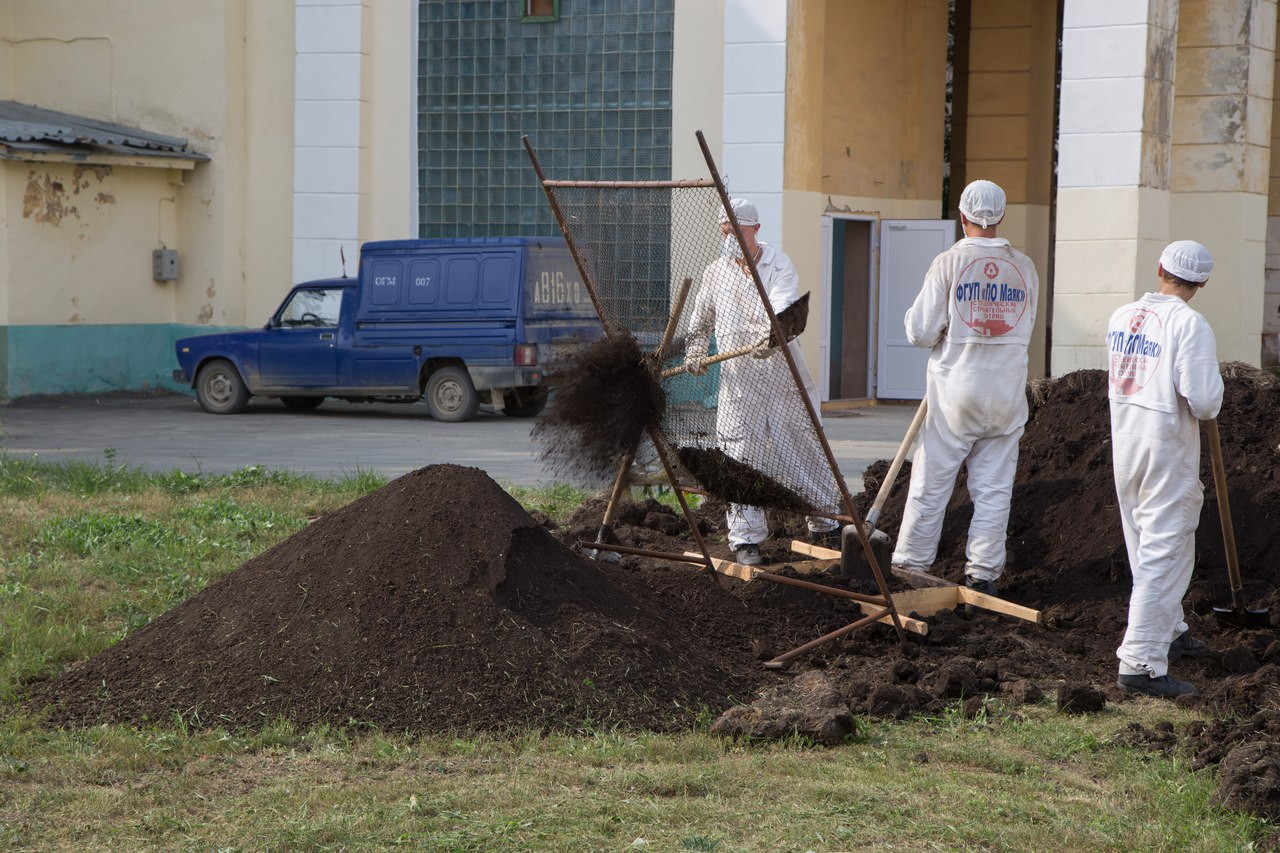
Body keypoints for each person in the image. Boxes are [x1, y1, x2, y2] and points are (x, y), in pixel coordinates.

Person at [890, 180, 1040, 595]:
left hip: (957, 392)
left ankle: (911, 564)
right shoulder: (1025, 268)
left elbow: (920, 331)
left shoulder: (948, 264)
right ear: (1001, 217)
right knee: (994, 489)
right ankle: (983, 574)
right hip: (1007, 392)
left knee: (932, 481)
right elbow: (1022, 327)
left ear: (962, 217)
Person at [684, 197, 841, 566]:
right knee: (738, 457)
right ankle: (746, 540)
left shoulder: (778, 264)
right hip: (740, 384)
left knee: (802, 448)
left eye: (735, 230)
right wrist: (694, 350)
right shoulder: (715, 272)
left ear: (754, 230)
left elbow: (785, 310)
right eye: (724, 231)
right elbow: (701, 318)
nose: (729, 238)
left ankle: (825, 522)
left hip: (783, 376)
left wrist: (770, 340)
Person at [1107, 240, 1222, 699]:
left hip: (1126, 445)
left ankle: (1170, 630)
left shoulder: (1123, 316)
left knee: (1144, 548)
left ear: (1159, 269)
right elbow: (1205, 400)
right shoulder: (1189, 324)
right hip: (1166, 451)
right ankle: (1140, 663)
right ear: (1203, 283)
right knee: (1166, 555)